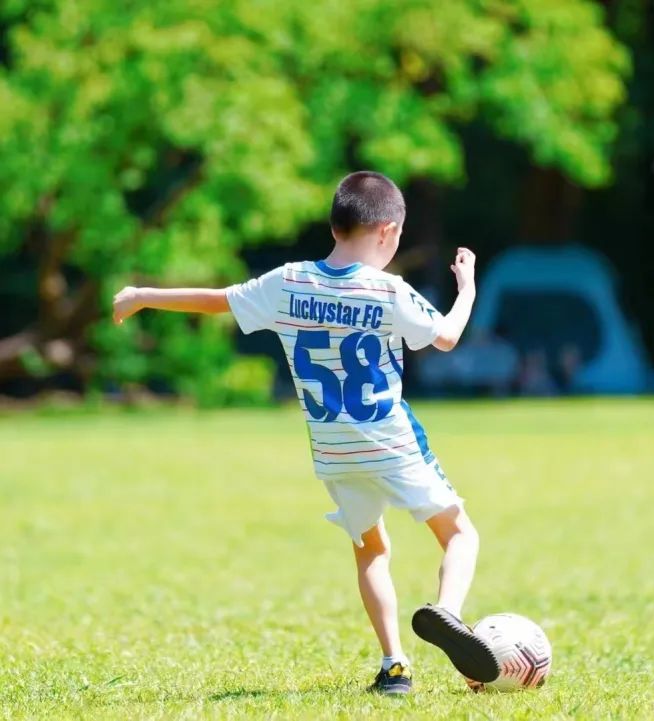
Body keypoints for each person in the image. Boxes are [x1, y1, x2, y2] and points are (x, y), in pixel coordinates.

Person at [112, 171, 500, 694]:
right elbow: (448, 337)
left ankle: (394, 667)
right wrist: (468, 286)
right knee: (459, 534)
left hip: (333, 450)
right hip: (390, 441)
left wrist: (142, 294)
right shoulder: (388, 289)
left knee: (371, 552)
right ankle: (447, 614)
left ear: (336, 225)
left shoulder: (288, 282)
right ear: (386, 231)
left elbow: (217, 300)